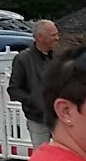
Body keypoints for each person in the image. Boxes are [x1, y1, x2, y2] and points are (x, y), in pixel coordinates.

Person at [7, 20, 58, 148]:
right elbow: (14, 89)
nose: (57, 38)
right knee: (42, 156)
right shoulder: (23, 59)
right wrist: (34, 101)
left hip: (59, 117)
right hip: (37, 118)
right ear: (40, 37)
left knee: (64, 155)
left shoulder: (58, 57)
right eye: (53, 35)